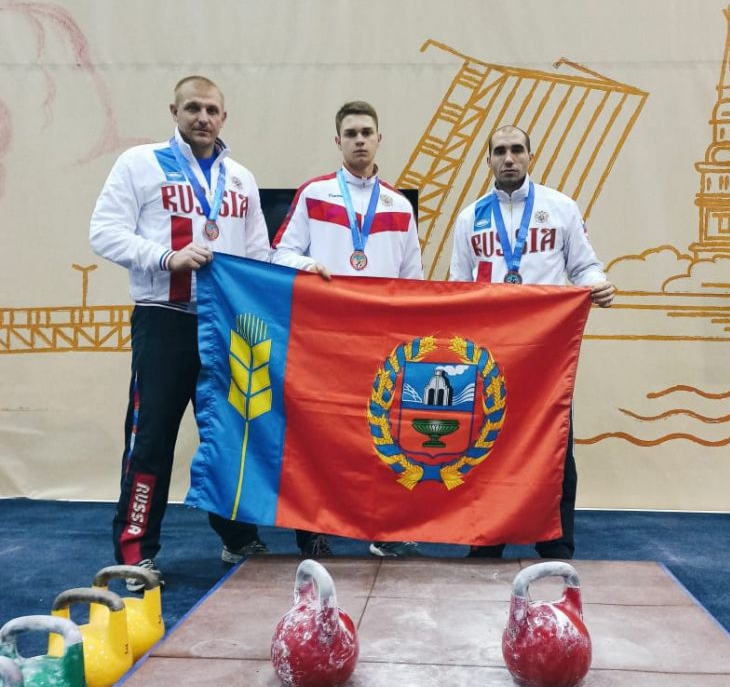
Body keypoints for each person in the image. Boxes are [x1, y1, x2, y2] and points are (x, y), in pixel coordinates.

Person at [90, 75, 273, 590]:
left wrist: (301, 270)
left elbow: (258, 255)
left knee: (231, 434)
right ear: (174, 111)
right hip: (165, 318)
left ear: (224, 117)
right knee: (151, 439)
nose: (203, 118)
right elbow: (103, 232)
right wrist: (166, 257)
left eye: (212, 110)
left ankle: (238, 537)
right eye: (193, 108)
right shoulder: (140, 163)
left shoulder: (240, 178)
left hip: (228, 325)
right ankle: (135, 553)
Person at [448, 124, 615, 559]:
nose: (509, 158)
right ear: (488, 160)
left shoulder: (561, 208)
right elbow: (458, 286)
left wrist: (598, 284)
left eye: (517, 150)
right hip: (490, 353)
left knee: (554, 447)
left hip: (546, 355)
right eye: (500, 151)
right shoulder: (469, 218)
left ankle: (555, 541)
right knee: (487, 447)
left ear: (530, 156)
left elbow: (585, 266)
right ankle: (486, 538)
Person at [272, 100, 424, 558]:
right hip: (324, 340)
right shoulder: (314, 194)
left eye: (367, 132)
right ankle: (314, 530)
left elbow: (413, 283)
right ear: (338, 141)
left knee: (383, 436)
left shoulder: (398, 205)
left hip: (382, 342)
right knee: (318, 437)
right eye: (351, 133)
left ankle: (384, 529)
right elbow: (278, 254)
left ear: (379, 139)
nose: (360, 140)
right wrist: (307, 265)